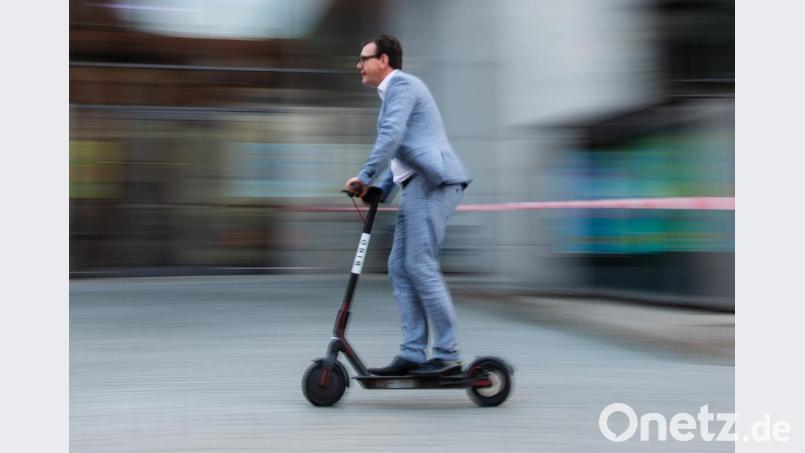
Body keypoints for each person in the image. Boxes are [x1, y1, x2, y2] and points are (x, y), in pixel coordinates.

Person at [344, 34, 472, 377]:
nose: (359, 65)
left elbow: (391, 138)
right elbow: (402, 153)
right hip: (416, 185)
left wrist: (364, 175)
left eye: (364, 58)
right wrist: (378, 190)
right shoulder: (394, 93)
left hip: (433, 184)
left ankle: (446, 354)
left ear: (384, 60)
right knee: (400, 266)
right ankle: (414, 352)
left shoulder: (402, 86)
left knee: (419, 264)